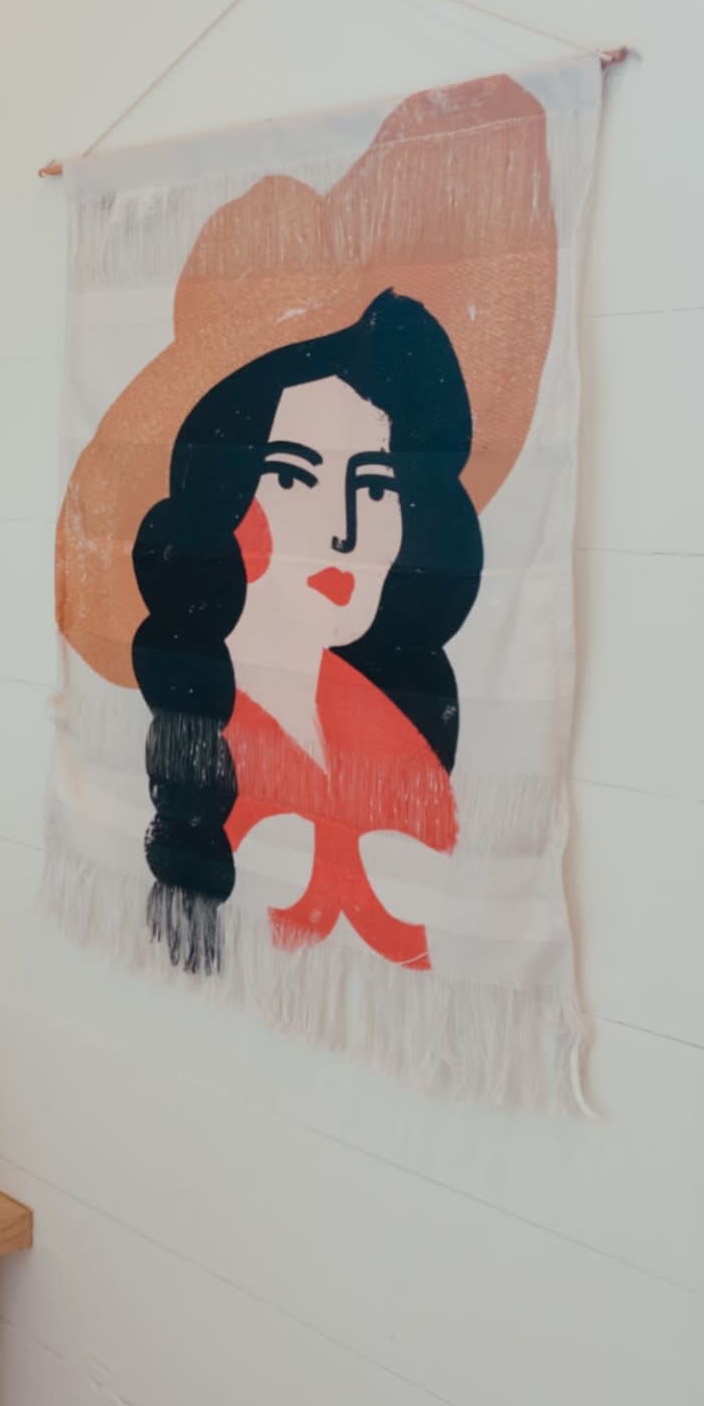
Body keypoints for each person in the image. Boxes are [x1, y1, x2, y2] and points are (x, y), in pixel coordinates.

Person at [128, 291, 482, 972]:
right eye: (294, 478)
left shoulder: (396, 732)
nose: (343, 531)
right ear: (222, 508)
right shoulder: (200, 737)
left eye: (373, 487)